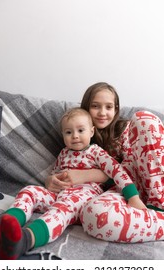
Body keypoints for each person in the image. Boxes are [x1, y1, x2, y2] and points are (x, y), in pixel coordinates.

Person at [0, 107, 145, 259]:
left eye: (80, 130)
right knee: (30, 191)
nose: (75, 136)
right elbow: (55, 174)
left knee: (60, 209)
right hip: (58, 193)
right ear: (63, 135)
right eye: (69, 132)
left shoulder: (96, 152)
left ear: (91, 132)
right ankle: (4, 227)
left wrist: (133, 197)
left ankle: (24, 240)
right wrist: (51, 180)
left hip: (81, 199)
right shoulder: (64, 153)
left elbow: (117, 171)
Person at [46, 82, 164, 243]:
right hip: (123, 195)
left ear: (116, 110)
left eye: (109, 107)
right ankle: (156, 220)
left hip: (150, 184)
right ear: (86, 107)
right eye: (95, 106)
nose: (102, 113)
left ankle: (159, 204)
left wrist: (90, 174)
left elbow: (133, 167)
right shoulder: (76, 137)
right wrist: (51, 180)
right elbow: (62, 170)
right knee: (92, 213)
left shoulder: (126, 130)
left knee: (143, 118)